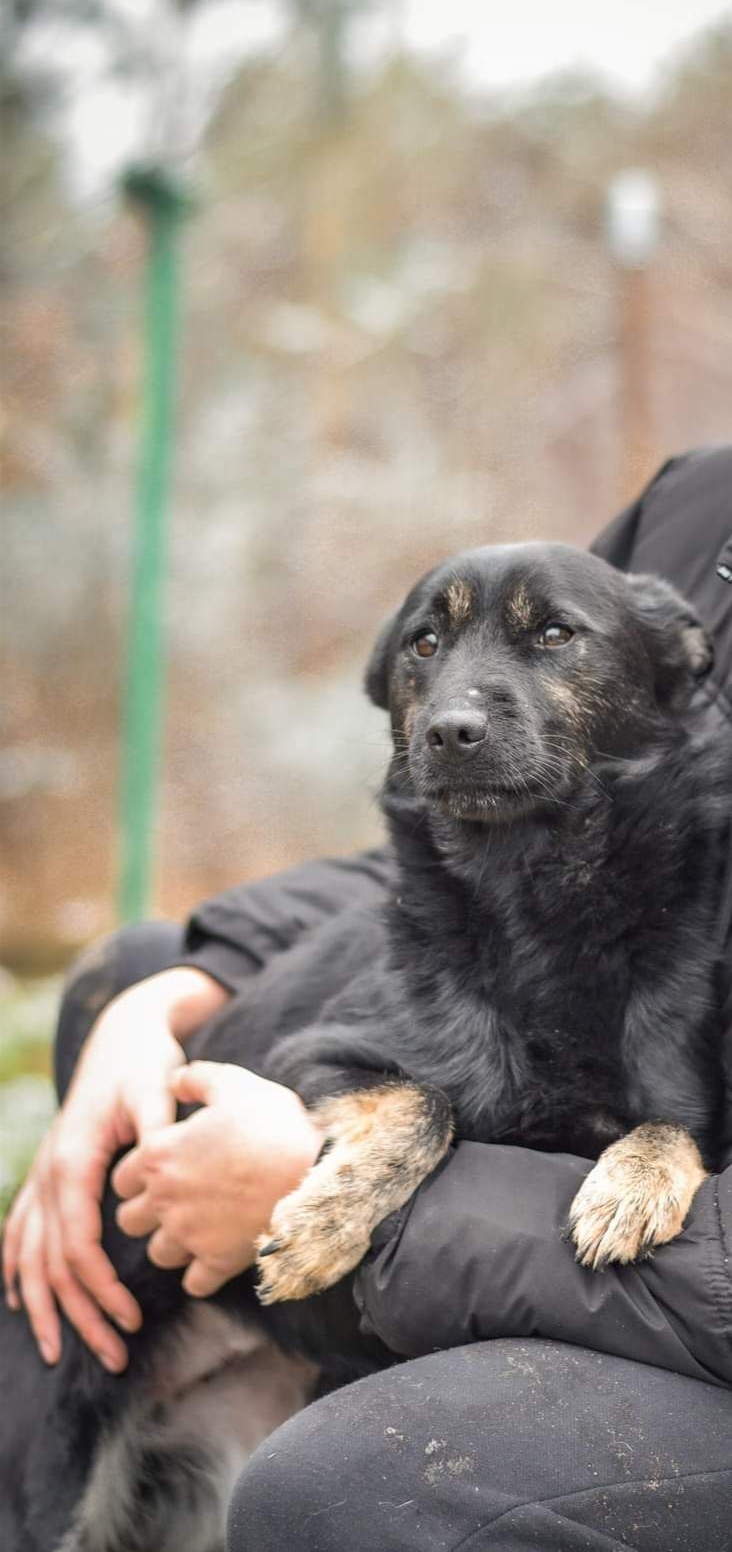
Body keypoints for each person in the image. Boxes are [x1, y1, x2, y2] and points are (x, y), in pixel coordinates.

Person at [4, 444, 732, 1551]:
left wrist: (343, 1195)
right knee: (129, 973)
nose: (451, 707)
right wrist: (165, 989)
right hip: (221, 1304)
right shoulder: (701, 499)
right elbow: (433, 839)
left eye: (547, 641)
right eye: (427, 654)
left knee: (348, 1482)